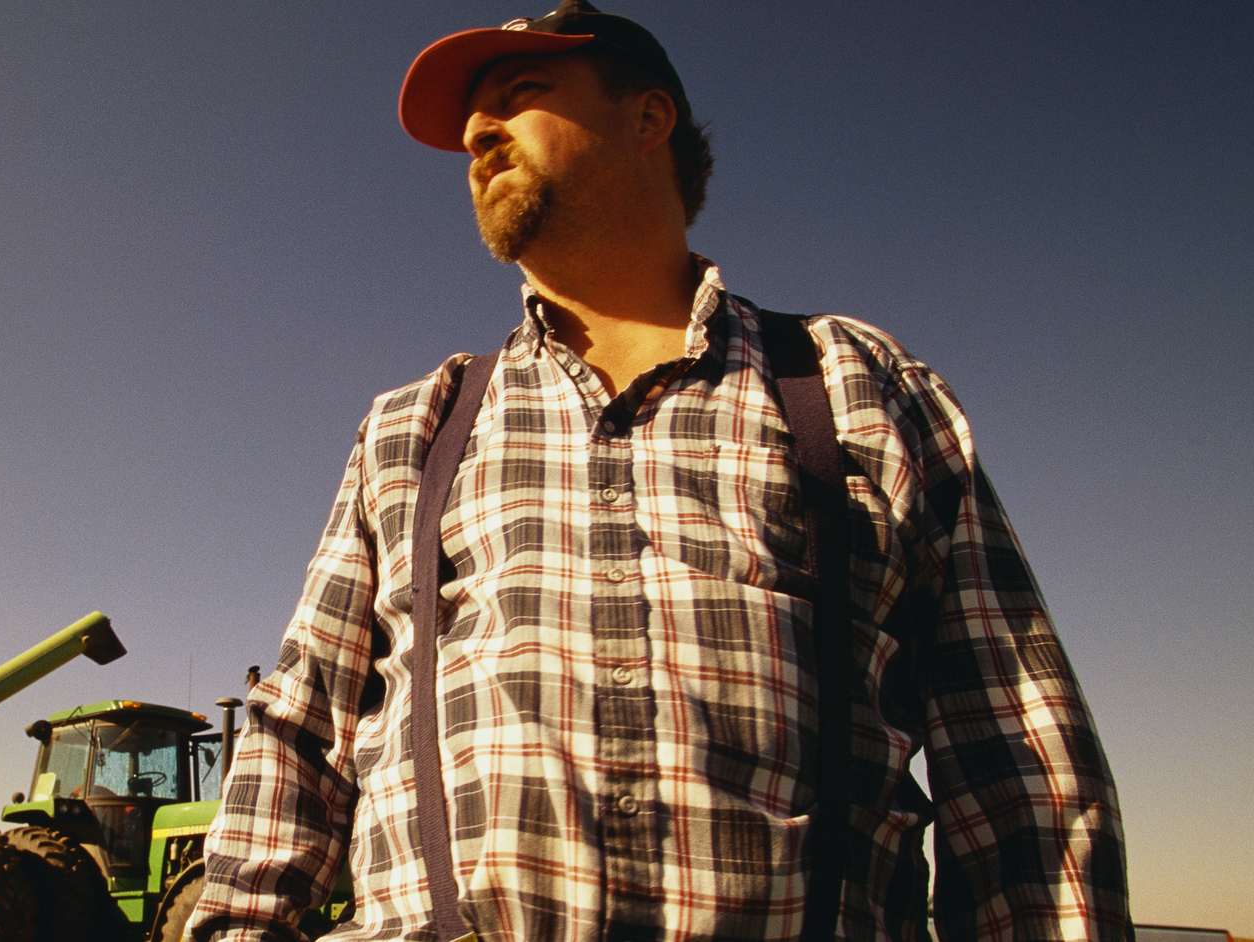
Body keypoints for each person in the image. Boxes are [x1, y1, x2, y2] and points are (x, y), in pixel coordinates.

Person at [190, 3, 1130, 941]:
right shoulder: (414, 427)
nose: (477, 132)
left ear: (649, 119)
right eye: (472, 122)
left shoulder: (851, 385)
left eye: (517, 96)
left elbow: (1015, 751)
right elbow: (302, 734)